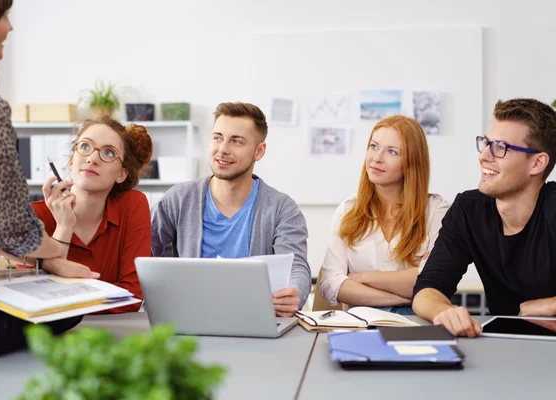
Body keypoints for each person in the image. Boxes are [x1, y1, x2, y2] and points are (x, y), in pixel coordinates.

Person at [0, 0, 97, 363]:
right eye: (3, 17)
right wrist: (55, 254)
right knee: (69, 309)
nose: (9, 28)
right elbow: (17, 233)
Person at [413, 98, 556, 337]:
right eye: (486, 143)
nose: (484, 156)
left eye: (500, 147)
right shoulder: (468, 209)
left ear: (537, 163)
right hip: (503, 348)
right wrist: (442, 311)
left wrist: (551, 305)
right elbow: (428, 286)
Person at [151, 102, 311, 316]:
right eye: (218, 137)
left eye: (236, 141)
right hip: (190, 319)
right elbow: (143, 249)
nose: (222, 149)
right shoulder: (179, 198)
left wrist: (295, 292)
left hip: (255, 320)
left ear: (259, 151)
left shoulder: (282, 208)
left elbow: (296, 266)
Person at [320, 115, 449, 315]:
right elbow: (331, 284)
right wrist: (403, 296)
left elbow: (433, 280)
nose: (377, 158)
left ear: (411, 162)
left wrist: (361, 277)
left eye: (392, 151)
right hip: (361, 325)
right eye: (373, 146)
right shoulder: (347, 211)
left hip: (414, 323)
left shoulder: (435, 211)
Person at [31, 116, 153, 312]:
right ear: (72, 161)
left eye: (108, 153)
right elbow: (35, 300)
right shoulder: (35, 215)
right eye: (85, 147)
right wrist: (64, 226)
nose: (92, 158)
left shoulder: (132, 206)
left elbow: (132, 296)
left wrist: (69, 303)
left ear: (121, 174)